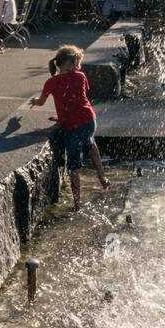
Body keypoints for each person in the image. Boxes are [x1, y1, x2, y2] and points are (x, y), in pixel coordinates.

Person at [29, 45, 110, 211]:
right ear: (72, 63)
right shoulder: (80, 77)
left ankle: (77, 204)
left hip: (71, 127)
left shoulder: (51, 82)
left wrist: (35, 101)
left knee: (74, 168)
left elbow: (42, 102)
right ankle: (102, 176)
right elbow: (78, 99)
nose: (79, 66)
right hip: (89, 121)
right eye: (78, 62)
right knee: (90, 142)